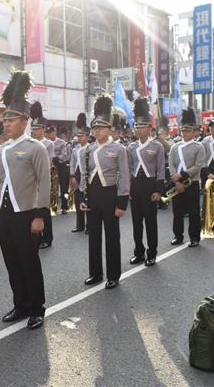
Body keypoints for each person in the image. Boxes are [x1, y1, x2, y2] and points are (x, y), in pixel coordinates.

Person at [0, 70, 50, 330]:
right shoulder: (1, 149)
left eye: (11, 120)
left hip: (26, 213)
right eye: (5, 120)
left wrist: (40, 216)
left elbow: (46, 182)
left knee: (29, 262)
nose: (6, 124)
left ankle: (37, 308)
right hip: (4, 214)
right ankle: (20, 304)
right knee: (12, 262)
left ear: (24, 121)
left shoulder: (36, 148)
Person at [79, 96, 130, 289]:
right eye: (94, 128)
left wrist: (121, 203)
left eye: (101, 127)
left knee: (111, 237)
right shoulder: (87, 149)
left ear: (110, 128)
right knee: (93, 237)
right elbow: (84, 174)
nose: (96, 130)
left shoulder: (118, 149)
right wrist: (84, 197)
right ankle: (95, 273)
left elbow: (124, 177)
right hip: (92, 196)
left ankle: (113, 275)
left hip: (110, 196)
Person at [127, 98, 165, 267]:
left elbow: (161, 170)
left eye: (142, 126)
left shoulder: (157, 146)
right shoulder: (131, 147)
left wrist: (159, 190)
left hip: (150, 185)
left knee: (150, 221)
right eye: (137, 126)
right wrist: (127, 189)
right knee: (136, 222)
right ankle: (139, 252)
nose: (139, 129)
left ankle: (152, 253)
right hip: (135, 185)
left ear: (149, 128)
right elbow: (128, 170)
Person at [168, 108, 206, 247]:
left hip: (192, 182)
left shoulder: (199, 146)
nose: (185, 133)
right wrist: (175, 178)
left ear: (194, 131)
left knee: (193, 212)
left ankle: (194, 237)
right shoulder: (174, 147)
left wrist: (183, 175)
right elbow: (171, 163)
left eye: (188, 131)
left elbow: (198, 165)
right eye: (183, 131)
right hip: (177, 183)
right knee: (177, 211)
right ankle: (178, 236)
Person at [30, 101, 54, 250]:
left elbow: (48, 162)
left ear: (44, 129)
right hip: (31, 181)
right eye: (32, 128)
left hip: (43, 178)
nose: (34, 131)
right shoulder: (30, 142)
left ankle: (47, 237)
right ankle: (36, 236)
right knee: (33, 209)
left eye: (37, 128)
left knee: (44, 208)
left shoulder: (48, 144)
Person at [69, 113, 90, 234]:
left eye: (82, 135)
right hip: (76, 176)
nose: (79, 137)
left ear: (87, 136)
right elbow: (72, 162)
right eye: (78, 135)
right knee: (77, 201)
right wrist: (72, 176)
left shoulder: (90, 148)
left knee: (87, 201)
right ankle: (80, 225)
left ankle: (89, 226)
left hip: (86, 177)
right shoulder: (75, 148)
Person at [50, 125, 71, 213]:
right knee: (52, 187)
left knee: (64, 187)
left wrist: (55, 157)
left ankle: (64, 207)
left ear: (54, 132)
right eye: (48, 132)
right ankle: (53, 206)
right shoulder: (46, 142)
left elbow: (64, 155)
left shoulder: (61, 142)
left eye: (51, 132)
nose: (49, 134)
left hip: (61, 166)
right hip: (51, 166)